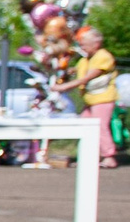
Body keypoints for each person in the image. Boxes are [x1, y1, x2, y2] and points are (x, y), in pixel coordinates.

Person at [51, 24, 120, 169]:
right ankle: (89, 156)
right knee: (84, 126)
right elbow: (78, 70)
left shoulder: (103, 57)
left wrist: (63, 87)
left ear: (96, 43)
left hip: (103, 99)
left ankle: (109, 156)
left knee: (100, 127)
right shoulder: (86, 59)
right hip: (91, 100)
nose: (81, 47)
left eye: (84, 44)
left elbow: (85, 79)